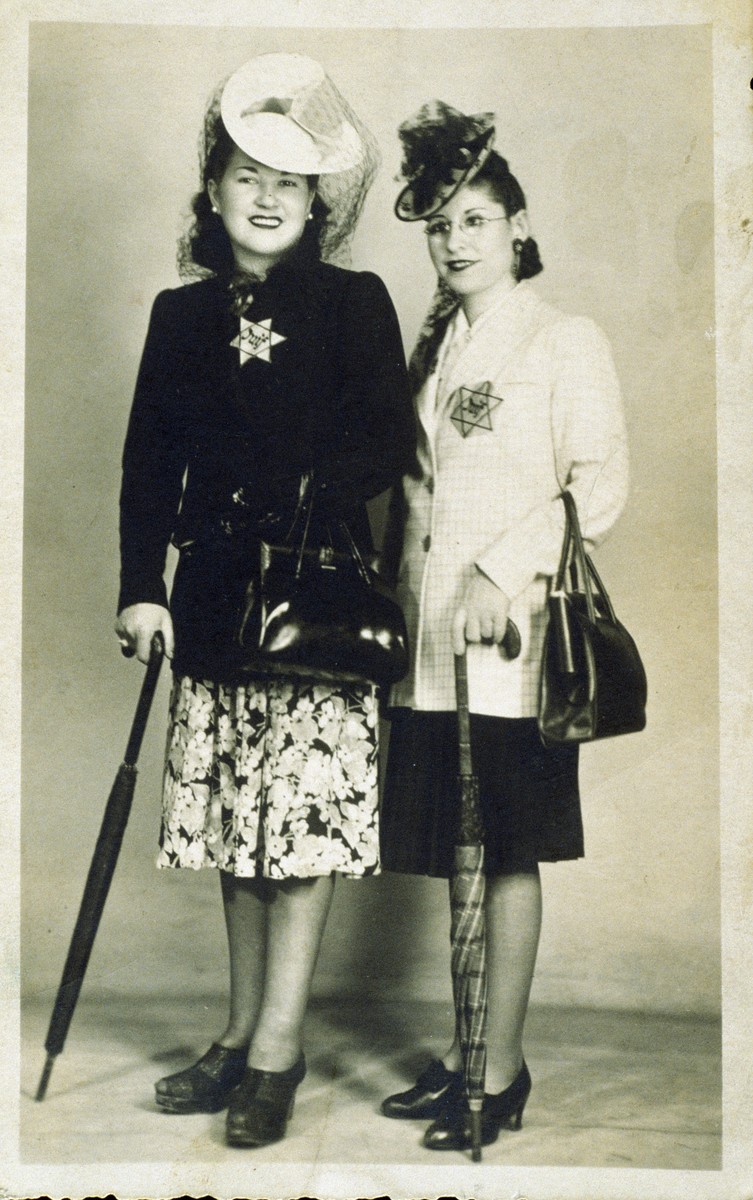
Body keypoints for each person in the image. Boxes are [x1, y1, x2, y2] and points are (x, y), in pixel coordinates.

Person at [115, 52, 413, 1149]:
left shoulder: (351, 302)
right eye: (248, 172)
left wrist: (287, 492)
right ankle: (240, 1033)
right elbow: (148, 465)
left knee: (302, 834)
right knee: (241, 832)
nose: (270, 195)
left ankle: (280, 1050)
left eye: (292, 178)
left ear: (319, 199)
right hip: (213, 604)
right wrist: (143, 588)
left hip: (317, 599)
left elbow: (388, 441)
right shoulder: (179, 315)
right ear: (215, 189)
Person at [378, 101, 629, 1152]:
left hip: (512, 642)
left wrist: (499, 570)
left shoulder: (563, 337)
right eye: (440, 224)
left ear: (517, 229)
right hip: (431, 646)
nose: (456, 240)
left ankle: (501, 1067)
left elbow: (599, 485)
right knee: (457, 852)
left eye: (476, 219)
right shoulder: (438, 348)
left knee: (506, 851)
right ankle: (464, 1056)